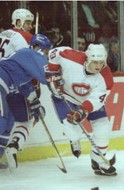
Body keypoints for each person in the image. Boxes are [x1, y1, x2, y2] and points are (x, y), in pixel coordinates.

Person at [45, 43, 117, 176]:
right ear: (88, 58)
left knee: (103, 128)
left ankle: (98, 160)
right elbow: (53, 53)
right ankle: (74, 140)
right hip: (65, 96)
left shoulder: (106, 77)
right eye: (95, 62)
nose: (98, 66)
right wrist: (53, 72)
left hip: (87, 101)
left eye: (101, 62)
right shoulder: (71, 57)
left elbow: (96, 100)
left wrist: (82, 111)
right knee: (74, 133)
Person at [0, 9, 49, 170]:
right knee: (9, 119)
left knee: (8, 119)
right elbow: (28, 65)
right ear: (18, 22)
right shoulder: (26, 38)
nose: (30, 26)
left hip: (8, 81)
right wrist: (33, 91)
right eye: (27, 22)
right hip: (14, 83)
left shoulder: (3, 33)